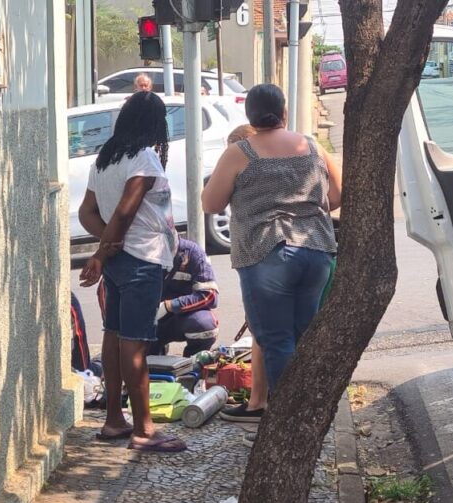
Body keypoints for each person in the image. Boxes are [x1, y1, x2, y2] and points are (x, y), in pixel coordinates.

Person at [202, 84, 341, 405]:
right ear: (284, 113)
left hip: (266, 254)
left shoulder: (240, 152)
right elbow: (336, 194)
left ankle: (289, 420)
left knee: (276, 341)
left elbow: (210, 203)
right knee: (302, 337)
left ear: (249, 115)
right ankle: (310, 411)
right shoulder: (311, 146)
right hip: (316, 251)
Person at [77, 90, 186, 453]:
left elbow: (88, 214)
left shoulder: (105, 160)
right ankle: (143, 430)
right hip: (142, 259)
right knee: (135, 342)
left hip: (124, 259)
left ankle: (113, 420)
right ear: (155, 125)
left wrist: (108, 245)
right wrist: (104, 250)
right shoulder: (145, 158)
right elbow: (124, 212)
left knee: (114, 334)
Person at [216, 124, 270, 424]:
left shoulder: (249, 161)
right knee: (264, 334)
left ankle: (263, 403)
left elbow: (210, 202)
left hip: (259, 255)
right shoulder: (290, 154)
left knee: (266, 334)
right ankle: (260, 401)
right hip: (289, 254)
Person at [95, 237, 220, 357]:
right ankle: (153, 352)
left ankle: (192, 366)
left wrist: (169, 306)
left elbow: (210, 295)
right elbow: (107, 300)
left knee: (204, 324)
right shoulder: (132, 256)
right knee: (135, 360)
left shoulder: (191, 252)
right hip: (144, 323)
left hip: (181, 318)